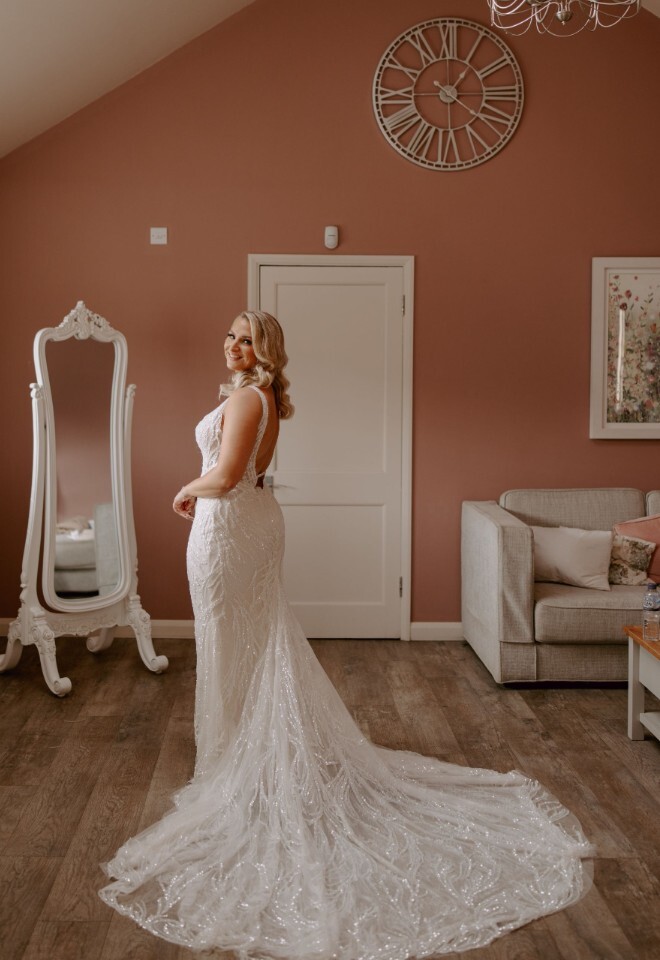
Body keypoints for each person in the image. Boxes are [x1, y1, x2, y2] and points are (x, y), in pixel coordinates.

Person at [99, 311, 592, 959]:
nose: (233, 344)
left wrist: (185, 489)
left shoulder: (251, 397)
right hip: (241, 523)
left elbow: (225, 477)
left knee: (236, 643)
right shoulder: (257, 396)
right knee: (242, 644)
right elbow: (243, 473)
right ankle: (233, 758)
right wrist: (210, 487)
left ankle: (238, 769)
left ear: (267, 350)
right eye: (230, 333)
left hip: (229, 529)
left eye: (247, 338)